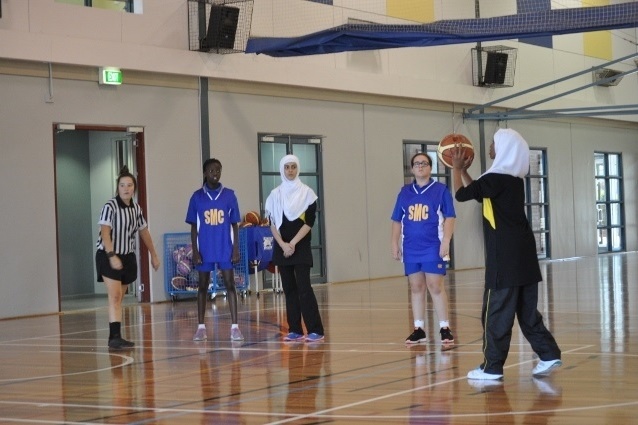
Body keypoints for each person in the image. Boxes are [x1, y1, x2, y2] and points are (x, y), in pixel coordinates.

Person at [452, 128, 562, 380]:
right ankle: (548, 353)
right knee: (526, 312)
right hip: (525, 257)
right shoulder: (512, 180)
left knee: (496, 312)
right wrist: (466, 172)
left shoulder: (495, 179)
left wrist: (455, 168)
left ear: (503, 148)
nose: (490, 147)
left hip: (505, 257)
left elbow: (461, 194)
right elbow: (480, 194)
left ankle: (491, 367)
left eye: (493, 143)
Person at [391, 152, 456, 345]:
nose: (420, 166)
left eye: (424, 163)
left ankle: (444, 327)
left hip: (433, 246)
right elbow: (396, 220)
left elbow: (450, 217)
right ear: (412, 169)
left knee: (435, 286)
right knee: (416, 287)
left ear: (430, 167)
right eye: (417, 164)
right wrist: (394, 243)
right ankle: (418, 329)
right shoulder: (404, 192)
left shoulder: (441, 190)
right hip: (411, 247)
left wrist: (446, 241)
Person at [95, 166, 160, 350]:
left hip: (127, 257)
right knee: (115, 296)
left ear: (134, 188)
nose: (126, 188)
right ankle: (114, 338)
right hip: (108, 255)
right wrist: (111, 255)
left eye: (129, 185)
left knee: (119, 297)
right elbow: (105, 233)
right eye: (122, 185)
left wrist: (153, 255)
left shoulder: (136, 208)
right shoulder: (110, 206)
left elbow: (144, 232)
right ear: (118, 188)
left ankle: (114, 336)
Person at [265, 154, 324, 342]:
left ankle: (316, 330)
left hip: (300, 248)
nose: (290, 171)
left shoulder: (308, 193)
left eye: (293, 167)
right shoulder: (275, 195)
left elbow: (309, 223)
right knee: (289, 290)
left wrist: (293, 244)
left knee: (304, 288)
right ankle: (295, 330)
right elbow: (272, 223)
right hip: (282, 249)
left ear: (297, 169)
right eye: (287, 167)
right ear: (282, 170)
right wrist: (283, 244)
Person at [186, 158, 243, 342]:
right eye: (211, 171)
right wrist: (195, 251)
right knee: (202, 286)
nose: (215, 174)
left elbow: (235, 225)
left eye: (218, 170)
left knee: (230, 285)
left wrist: (235, 249)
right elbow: (194, 227)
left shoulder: (229, 195)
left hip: (224, 246)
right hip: (205, 247)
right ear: (205, 173)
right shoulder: (197, 197)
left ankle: (235, 328)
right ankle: (201, 327)